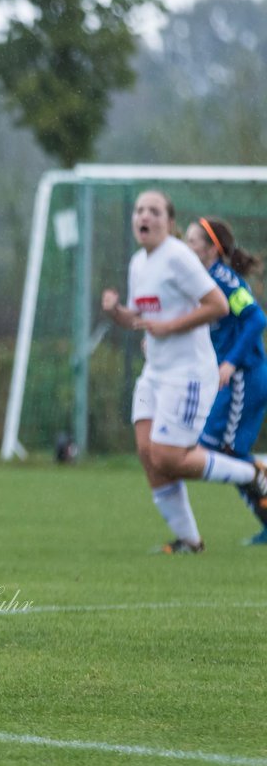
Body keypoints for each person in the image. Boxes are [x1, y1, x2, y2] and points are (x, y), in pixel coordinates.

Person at [102, 191, 267, 553]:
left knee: (171, 456)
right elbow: (145, 317)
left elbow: (233, 310)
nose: (144, 216)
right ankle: (190, 541)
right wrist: (118, 311)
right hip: (154, 374)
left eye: (154, 210)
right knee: (148, 453)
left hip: (189, 374)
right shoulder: (138, 263)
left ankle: (254, 473)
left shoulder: (188, 263)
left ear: (169, 222)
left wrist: (175, 330)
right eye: (139, 210)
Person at [184, 216, 267, 546]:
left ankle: (261, 480)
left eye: (192, 241)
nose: (187, 246)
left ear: (211, 249)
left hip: (245, 376)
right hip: (237, 379)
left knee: (227, 451)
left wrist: (230, 364)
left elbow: (256, 318)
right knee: (225, 451)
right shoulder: (203, 280)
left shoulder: (222, 280)